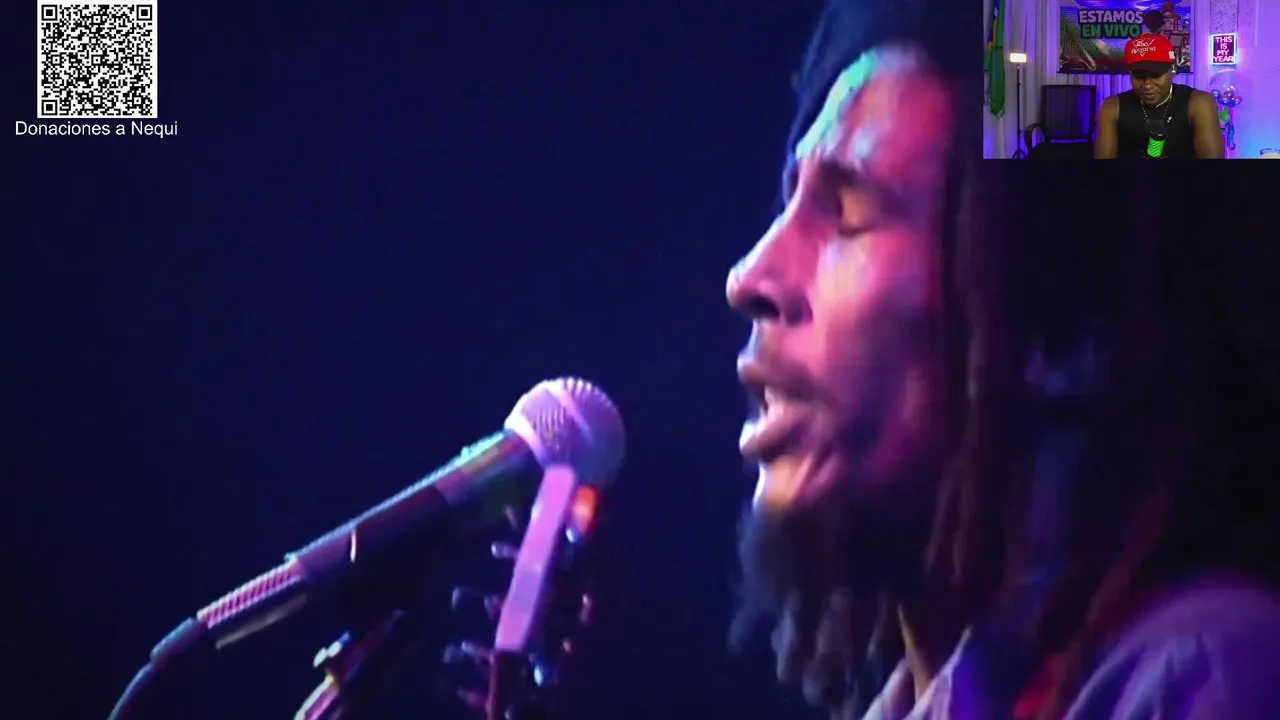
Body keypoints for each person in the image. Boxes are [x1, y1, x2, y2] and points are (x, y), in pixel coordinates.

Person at [725, 2, 1280, 718]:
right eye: (789, 201)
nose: (750, 276)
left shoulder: (1199, 679)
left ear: (1039, 316)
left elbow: (1242, 67)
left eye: (846, 209)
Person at [1094, 33, 1223, 159]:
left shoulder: (1199, 103)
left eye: (1156, 76)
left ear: (1173, 69)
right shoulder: (1112, 106)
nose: (1147, 85)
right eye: (1139, 76)